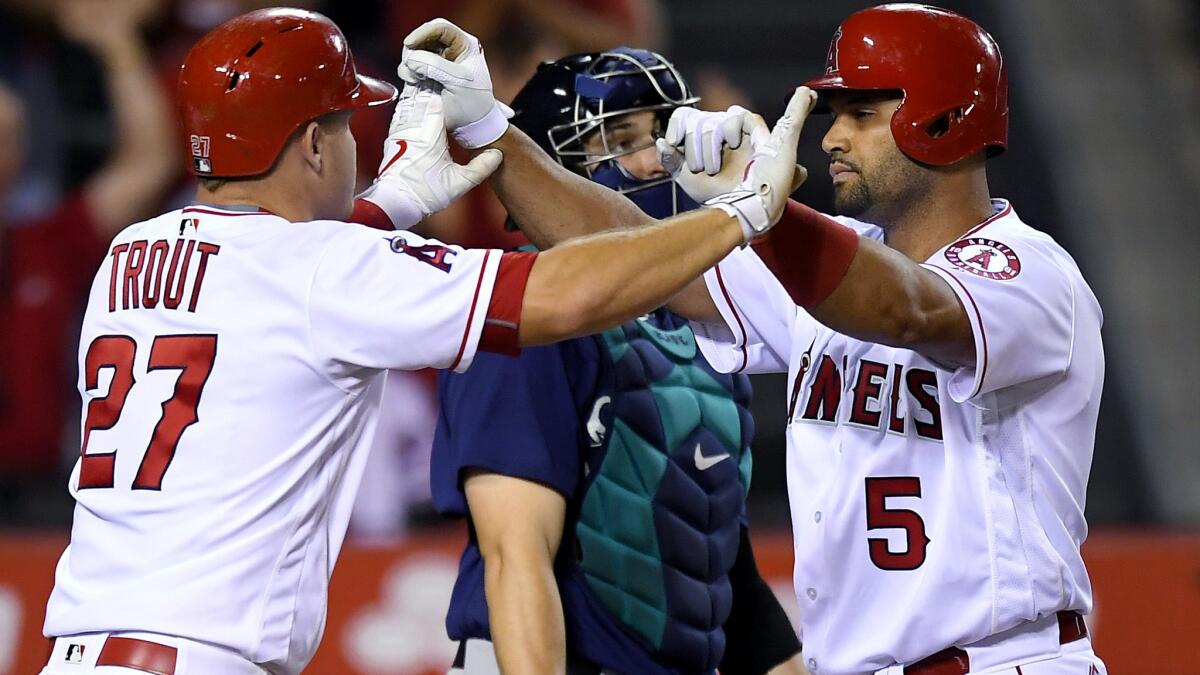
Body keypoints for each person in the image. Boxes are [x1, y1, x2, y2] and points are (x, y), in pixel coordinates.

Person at [39, 7, 812, 675]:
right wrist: (736, 215)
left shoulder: (128, 255)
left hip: (77, 646)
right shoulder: (323, 271)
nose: (355, 142)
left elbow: (283, 277)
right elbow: (562, 293)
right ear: (312, 145)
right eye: (344, 126)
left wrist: (392, 203)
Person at [400, 5, 1107, 675]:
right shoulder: (836, 267)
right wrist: (493, 127)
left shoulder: (1026, 271)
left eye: (861, 115)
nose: (832, 138)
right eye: (834, 116)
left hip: (1001, 658)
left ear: (947, 119)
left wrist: (762, 208)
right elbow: (632, 251)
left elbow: (910, 311)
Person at [432, 49, 805, 675]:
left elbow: (710, 551)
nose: (655, 159)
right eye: (625, 138)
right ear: (553, 168)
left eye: (663, 133)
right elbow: (514, 554)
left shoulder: (708, 318)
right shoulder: (528, 312)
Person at [0, 0, 177, 525]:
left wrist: (117, 47)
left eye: (7, 138)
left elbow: (149, 163)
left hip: (39, 501)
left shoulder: (44, 243)